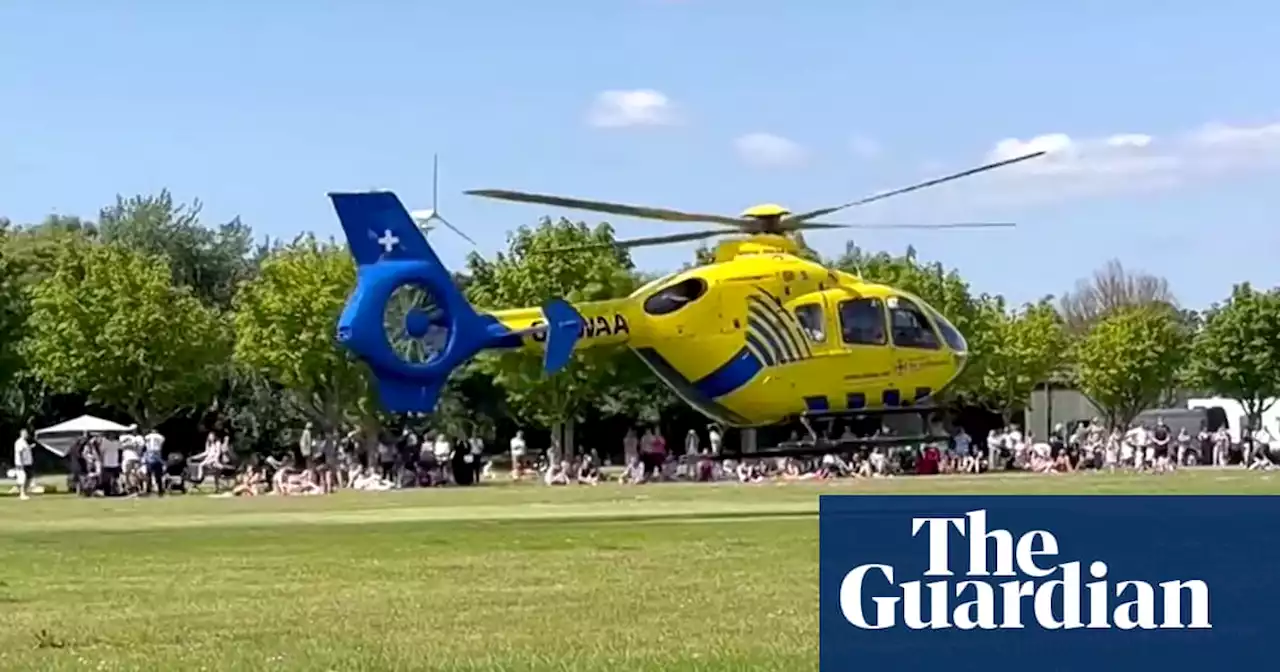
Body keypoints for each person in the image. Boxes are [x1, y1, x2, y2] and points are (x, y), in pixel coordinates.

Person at [142, 427, 166, 496]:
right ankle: (160, 491)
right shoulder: (160, 437)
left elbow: (145, 442)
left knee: (149, 475)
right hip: (157, 456)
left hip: (150, 456)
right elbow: (162, 443)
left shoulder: (148, 436)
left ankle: (148, 490)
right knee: (158, 476)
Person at [12, 429, 33, 500]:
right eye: (25, 433)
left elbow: (25, 450)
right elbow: (20, 452)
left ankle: (24, 492)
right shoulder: (19, 442)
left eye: (26, 433)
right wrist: (21, 463)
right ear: (22, 434)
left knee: (29, 478)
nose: (26, 435)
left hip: (28, 463)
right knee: (23, 478)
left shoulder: (25, 442)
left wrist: (30, 447)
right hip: (21, 464)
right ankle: (22, 494)